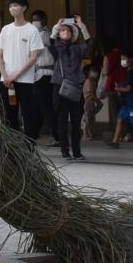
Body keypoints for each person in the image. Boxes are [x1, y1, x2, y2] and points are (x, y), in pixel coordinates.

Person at [46, 16, 90, 160]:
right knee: (62, 120)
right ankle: (65, 151)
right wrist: (56, 27)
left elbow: (89, 43)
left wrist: (82, 27)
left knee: (76, 120)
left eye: (68, 30)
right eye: (63, 30)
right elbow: (50, 42)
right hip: (59, 87)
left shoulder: (77, 48)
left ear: (72, 34)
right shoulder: (57, 49)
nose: (65, 32)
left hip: (76, 87)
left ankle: (77, 152)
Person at [0, 0, 43, 133]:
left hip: (25, 80)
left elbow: (33, 58)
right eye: (10, 6)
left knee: (27, 113)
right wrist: (5, 75)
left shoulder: (32, 30)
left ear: (24, 8)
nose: (12, 8)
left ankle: (28, 146)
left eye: (15, 6)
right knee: (10, 113)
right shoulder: (5, 29)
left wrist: (15, 75)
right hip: (6, 81)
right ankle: (14, 147)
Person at [26, 8, 56, 144]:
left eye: (37, 19)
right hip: (40, 75)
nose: (34, 22)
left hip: (44, 75)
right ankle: (32, 136)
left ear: (43, 21)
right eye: (32, 19)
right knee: (37, 107)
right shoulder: (40, 34)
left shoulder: (43, 34)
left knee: (45, 106)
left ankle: (58, 136)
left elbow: (34, 53)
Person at [110, 55, 133, 149]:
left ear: (130, 60)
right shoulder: (129, 72)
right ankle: (115, 141)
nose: (122, 61)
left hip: (132, 102)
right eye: (121, 59)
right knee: (120, 119)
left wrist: (118, 88)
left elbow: (128, 89)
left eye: (124, 59)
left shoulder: (132, 73)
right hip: (127, 103)